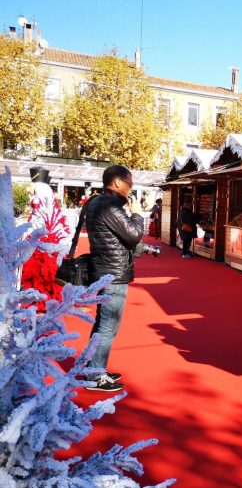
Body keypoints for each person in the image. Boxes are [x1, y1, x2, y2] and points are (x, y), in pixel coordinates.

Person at [83, 165, 145, 392]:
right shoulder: (109, 205)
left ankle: (91, 367)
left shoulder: (99, 203)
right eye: (129, 181)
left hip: (106, 270)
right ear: (117, 182)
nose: (132, 186)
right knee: (108, 326)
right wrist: (137, 213)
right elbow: (134, 235)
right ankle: (95, 376)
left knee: (103, 324)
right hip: (112, 273)